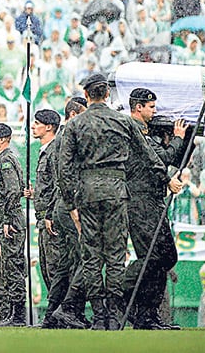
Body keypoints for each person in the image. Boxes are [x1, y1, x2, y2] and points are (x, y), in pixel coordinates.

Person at [57, 73, 159, 330]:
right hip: (116, 190)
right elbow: (148, 156)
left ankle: (99, 314)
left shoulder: (74, 125)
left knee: (91, 255)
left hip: (88, 192)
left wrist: (71, 204)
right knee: (115, 255)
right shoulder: (123, 121)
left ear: (87, 95)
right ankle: (113, 313)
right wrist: (167, 177)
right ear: (107, 95)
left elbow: (64, 168)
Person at [123, 87, 186, 330]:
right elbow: (163, 159)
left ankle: (148, 314)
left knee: (164, 257)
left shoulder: (147, 133)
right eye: (151, 107)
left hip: (152, 201)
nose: (155, 110)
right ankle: (121, 288)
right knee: (154, 257)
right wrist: (178, 137)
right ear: (138, 107)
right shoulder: (135, 132)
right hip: (140, 202)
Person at [46, 98, 89, 329]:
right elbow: (66, 176)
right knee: (84, 257)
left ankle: (53, 313)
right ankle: (69, 309)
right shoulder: (69, 137)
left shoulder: (60, 138)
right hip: (70, 204)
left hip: (61, 204)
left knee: (67, 261)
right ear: (73, 114)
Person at [0, 123, 27, 327]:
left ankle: (18, 316)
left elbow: (12, 191)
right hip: (9, 218)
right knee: (9, 266)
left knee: (13, 265)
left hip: (11, 220)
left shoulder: (6, 160)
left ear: (3, 139)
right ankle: (14, 314)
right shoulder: (0, 160)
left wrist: (7, 220)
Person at [27, 109, 61, 319]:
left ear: (49, 127)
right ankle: (56, 312)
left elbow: (59, 185)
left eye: (37, 123)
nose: (33, 126)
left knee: (56, 267)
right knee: (48, 268)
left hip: (52, 219)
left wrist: (49, 213)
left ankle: (59, 313)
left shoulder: (55, 150)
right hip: (43, 219)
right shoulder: (45, 150)